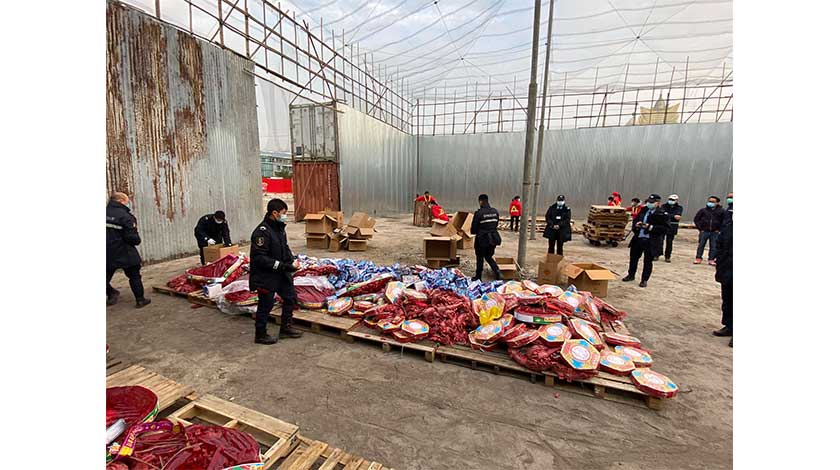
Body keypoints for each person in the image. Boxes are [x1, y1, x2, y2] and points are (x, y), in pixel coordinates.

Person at [249, 198, 302, 345]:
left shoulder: (279, 228)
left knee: (290, 298)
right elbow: (260, 258)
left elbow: (285, 247)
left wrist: (292, 261)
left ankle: (286, 328)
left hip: (281, 273)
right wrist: (283, 266)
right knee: (266, 304)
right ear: (274, 213)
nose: (285, 216)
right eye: (284, 213)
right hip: (266, 275)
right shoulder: (262, 232)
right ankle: (260, 334)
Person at [106, 192, 151, 308]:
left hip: (107, 252)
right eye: (126, 201)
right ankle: (140, 300)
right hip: (125, 251)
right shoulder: (125, 216)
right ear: (121, 201)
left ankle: (111, 293)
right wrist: (137, 240)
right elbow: (132, 237)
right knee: (134, 276)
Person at [622, 194, 668, 287]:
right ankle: (631, 275)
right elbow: (636, 220)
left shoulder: (662, 213)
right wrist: (637, 224)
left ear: (658, 203)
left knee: (647, 261)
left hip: (651, 240)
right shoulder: (644, 210)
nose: (649, 204)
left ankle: (644, 280)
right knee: (633, 258)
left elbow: (665, 228)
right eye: (648, 202)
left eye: (652, 202)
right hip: (639, 238)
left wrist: (651, 227)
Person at [470, 194, 502, 281]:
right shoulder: (495, 211)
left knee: (480, 257)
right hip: (493, 238)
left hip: (482, 239)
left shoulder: (479, 213)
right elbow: (496, 224)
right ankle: (497, 271)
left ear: (480, 201)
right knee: (488, 256)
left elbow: (473, 229)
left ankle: (478, 277)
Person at [713, 216, 733, 347]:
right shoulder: (729, 225)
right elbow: (720, 242)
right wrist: (719, 259)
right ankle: (729, 326)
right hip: (726, 267)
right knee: (727, 298)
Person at [693, 196, 725, 265]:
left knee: (713, 246)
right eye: (709, 201)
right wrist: (700, 228)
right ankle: (698, 258)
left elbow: (724, 221)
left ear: (717, 203)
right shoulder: (703, 210)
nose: (710, 203)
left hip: (715, 232)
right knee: (701, 245)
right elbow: (696, 219)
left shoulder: (721, 211)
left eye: (713, 202)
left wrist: (719, 229)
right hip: (704, 231)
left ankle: (711, 259)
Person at [659, 194, 684, 263]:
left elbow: (678, 216)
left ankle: (667, 256)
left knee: (669, 242)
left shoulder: (679, 207)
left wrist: (667, 214)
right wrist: (673, 216)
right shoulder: (664, 206)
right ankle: (657, 254)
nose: (671, 201)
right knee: (660, 240)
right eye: (670, 199)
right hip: (663, 225)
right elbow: (662, 214)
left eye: (673, 200)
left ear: (676, 200)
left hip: (672, 226)